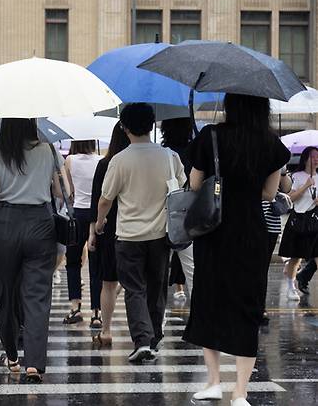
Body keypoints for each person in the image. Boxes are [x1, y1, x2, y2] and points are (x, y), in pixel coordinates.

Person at [183, 94, 289, 406]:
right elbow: (269, 194)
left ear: (231, 105)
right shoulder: (271, 144)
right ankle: (240, 392)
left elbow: (194, 183)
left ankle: (214, 381)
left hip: (213, 231)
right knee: (248, 304)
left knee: (208, 300)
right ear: (262, 107)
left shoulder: (211, 136)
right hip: (251, 233)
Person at [0, 118, 69, 383]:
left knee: (6, 294)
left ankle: (12, 354)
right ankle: (35, 363)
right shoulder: (49, 151)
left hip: (5, 226)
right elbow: (62, 193)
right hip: (41, 224)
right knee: (37, 296)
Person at [95, 103, 185, 363]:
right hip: (160, 236)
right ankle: (154, 338)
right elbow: (180, 190)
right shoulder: (170, 157)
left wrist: (100, 224)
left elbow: (105, 199)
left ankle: (142, 340)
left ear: (124, 128)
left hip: (129, 236)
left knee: (135, 290)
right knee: (157, 289)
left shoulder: (119, 160)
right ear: (152, 124)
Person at [88, 123, 130, 346]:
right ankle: (145, 332)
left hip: (109, 228)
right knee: (138, 283)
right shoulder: (137, 162)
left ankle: (106, 329)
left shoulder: (105, 164)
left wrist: (94, 230)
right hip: (136, 228)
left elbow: (99, 201)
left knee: (108, 283)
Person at [61, 140, 102, 326]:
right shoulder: (101, 160)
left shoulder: (69, 160)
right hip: (96, 214)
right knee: (96, 264)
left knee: (73, 262)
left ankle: (75, 306)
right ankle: (96, 312)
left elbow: (70, 191)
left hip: (77, 214)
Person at [160, 117, 196, 298]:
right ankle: (199, 314)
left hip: (162, 216)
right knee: (192, 270)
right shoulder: (195, 150)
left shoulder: (162, 153)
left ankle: (159, 319)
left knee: (158, 271)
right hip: (187, 216)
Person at [278, 146, 318, 301]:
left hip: (315, 221)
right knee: (296, 258)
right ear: (306, 158)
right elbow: (291, 197)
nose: (316, 159)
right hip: (300, 220)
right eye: (314, 156)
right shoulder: (297, 176)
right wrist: (306, 186)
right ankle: (290, 286)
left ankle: (301, 280)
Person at [260, 168, 292, 322]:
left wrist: (283, 170)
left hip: (270, 222)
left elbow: (286, 188)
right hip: (245, 218)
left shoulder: (273, 154)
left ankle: (259, 306)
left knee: (261, 267)